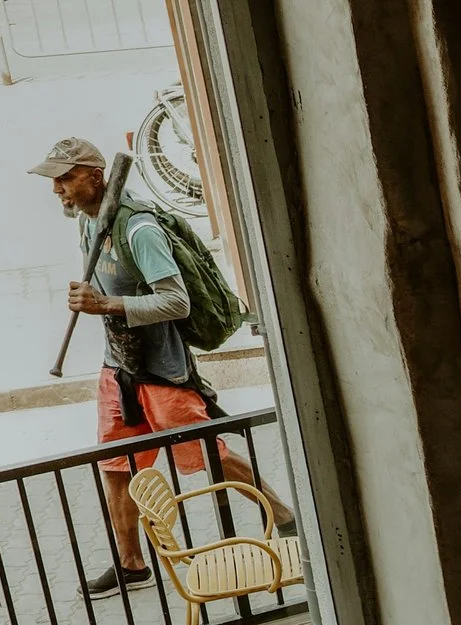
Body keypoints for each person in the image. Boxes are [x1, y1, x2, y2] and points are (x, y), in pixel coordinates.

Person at [29, 139, 293, 598]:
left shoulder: (140, 229)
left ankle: (284, 517)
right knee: (115, 466)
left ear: (95, 175)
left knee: (210, 455)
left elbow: (176, 301)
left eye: (66, 178)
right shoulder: (91, 225)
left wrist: (105, 303)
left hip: (163, 374)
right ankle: (131, 564)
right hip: (118, 370)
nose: (57, 189)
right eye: (54, 179)